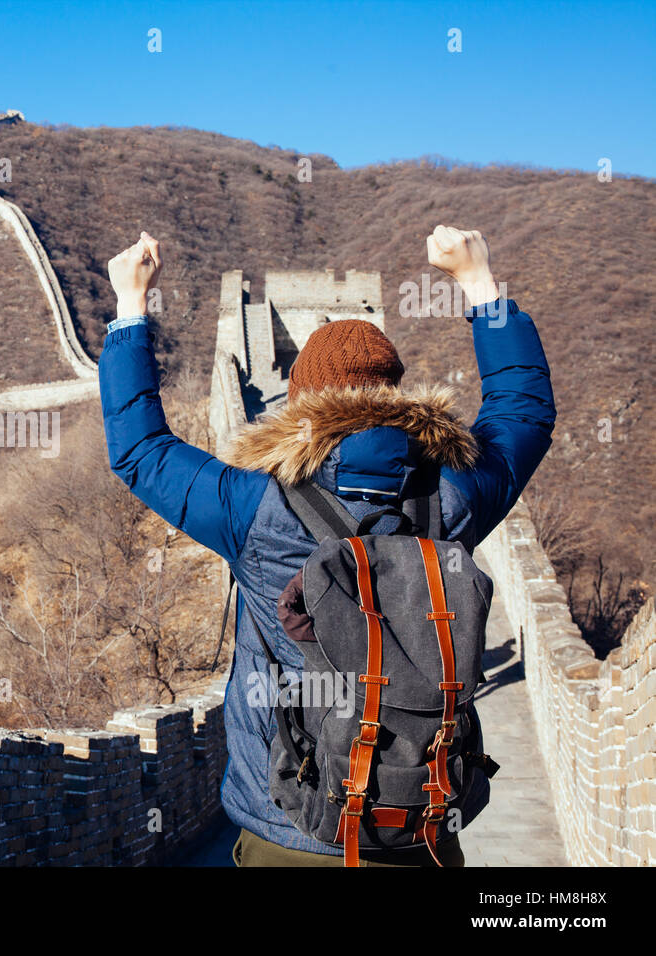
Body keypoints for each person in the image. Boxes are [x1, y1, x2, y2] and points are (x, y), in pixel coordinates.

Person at [100, 226, 555, 866]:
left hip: (291, 833)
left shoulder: (255, 507)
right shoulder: (453, 497)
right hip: (421, 830)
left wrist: (130, 305)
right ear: (396, 394)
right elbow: (524, 412)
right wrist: (477, 281)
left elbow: (142, 452)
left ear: (300, 399)